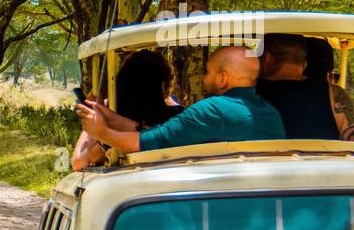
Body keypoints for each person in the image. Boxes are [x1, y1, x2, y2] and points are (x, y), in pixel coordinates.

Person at [77, 44, 285, 154]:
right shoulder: (271, 113)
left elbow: (147, 142)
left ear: (223, 78)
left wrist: (102, 131)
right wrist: (111, 118)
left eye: (207, 71)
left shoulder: (211, 111)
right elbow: (162, 133)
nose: (203, 77)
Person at [71, 49, 183, 169]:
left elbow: (79, 161)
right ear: (162, 85)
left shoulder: (114, 126)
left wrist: (96, 113)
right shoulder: (175, 118)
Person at [257, 33, 354, 141]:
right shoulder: (333, 94)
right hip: (323, 162)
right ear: (304, 63)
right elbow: (353, 141)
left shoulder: (251, 91)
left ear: (267, 57)